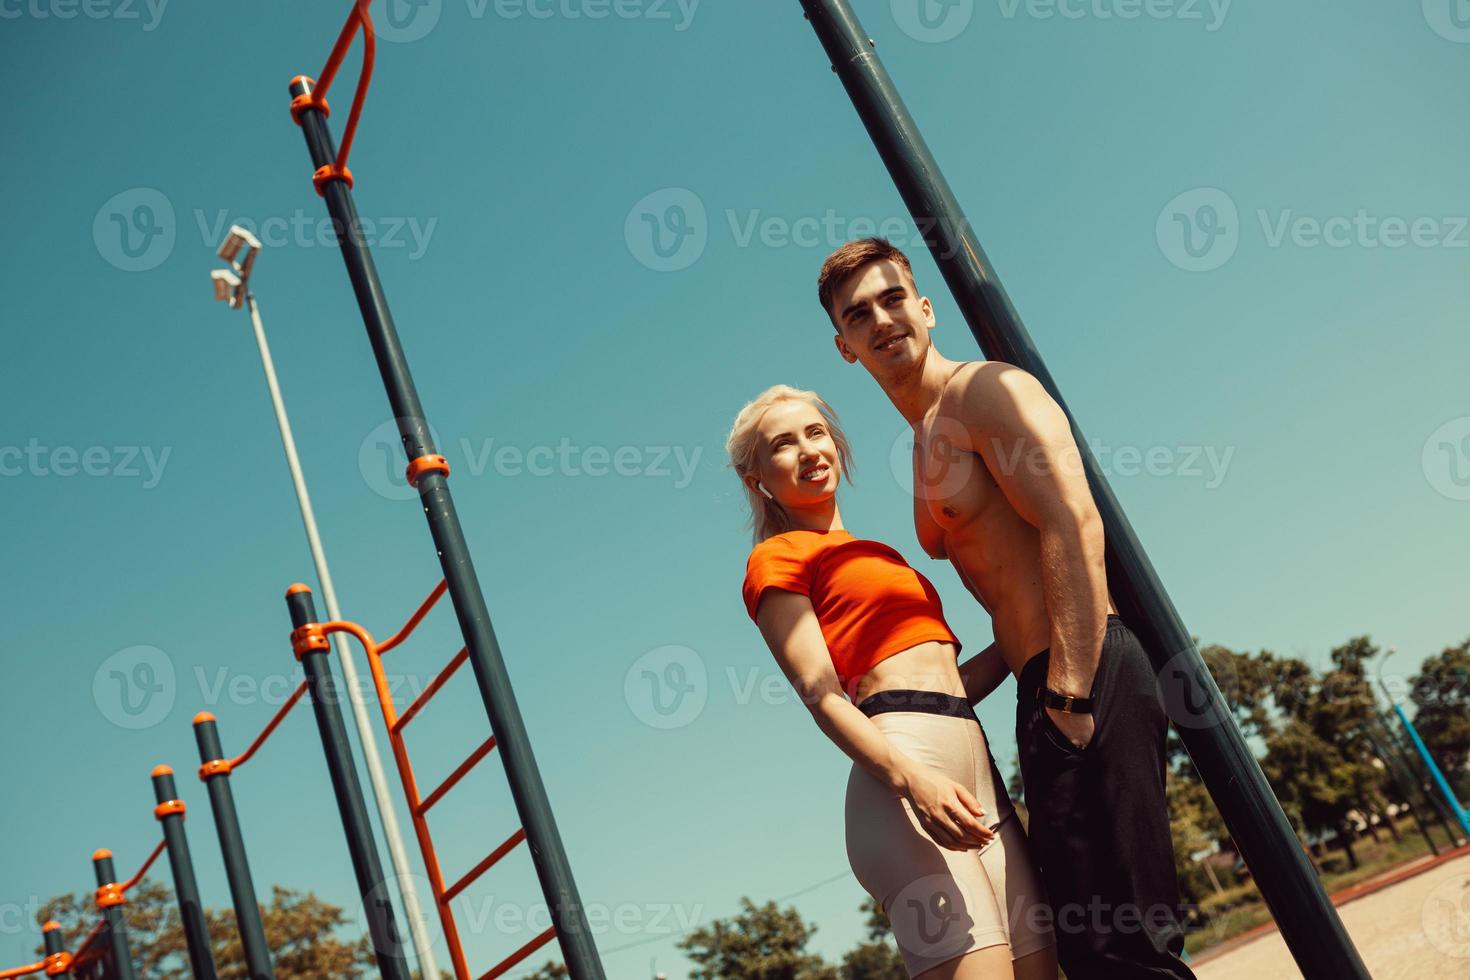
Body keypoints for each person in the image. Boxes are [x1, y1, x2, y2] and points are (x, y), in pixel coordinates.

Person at [815, 238, 1197, 979]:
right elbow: (998, 601)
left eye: (893, 298)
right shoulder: (923, 448)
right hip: (1039, 691)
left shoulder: (984, 392)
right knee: (1091, 954)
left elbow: (1072, 522)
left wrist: (1071, 697)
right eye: (858, 314)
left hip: (1086, 674)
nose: (881, 319)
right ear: (846, 347)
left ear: (924, 308)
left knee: (1134, 951)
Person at [728, 383, 1058, 980]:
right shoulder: (776, 558)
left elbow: (943, 683)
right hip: (903, 786)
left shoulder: (881, 553)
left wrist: (1028, 632)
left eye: (815, 432)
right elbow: (822, 694)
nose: (808, 450)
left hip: (976, 770)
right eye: (783, 444)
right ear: (758, 480)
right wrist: (915, 782)